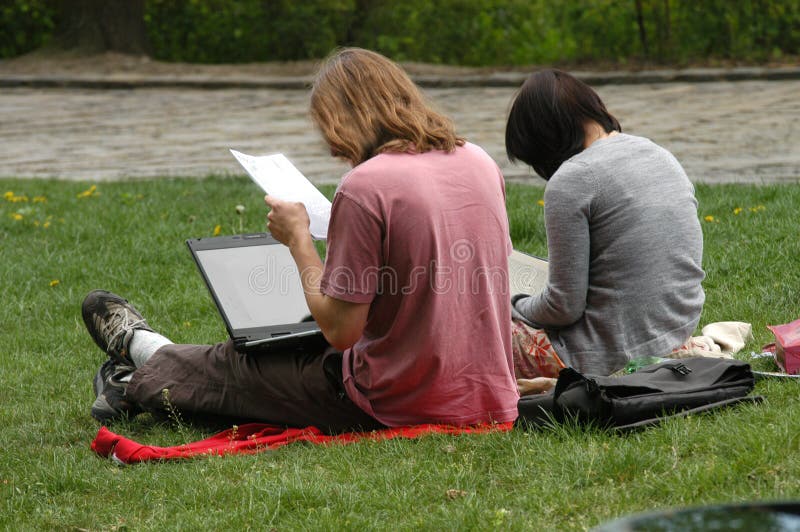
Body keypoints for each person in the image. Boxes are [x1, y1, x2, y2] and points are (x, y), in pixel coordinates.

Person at [83, 48, 519, 432]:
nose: (331, 146)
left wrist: (299, 241)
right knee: (288, 347)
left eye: (327, 126)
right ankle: (146, 364)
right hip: (486, 392)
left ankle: (137, 353)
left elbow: (342, 331)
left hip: (398, 401)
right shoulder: (479, 161)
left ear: (345, 118)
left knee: (238, 367)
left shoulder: (366, 185)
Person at [505, 69, 705, 382]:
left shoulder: (572, 179)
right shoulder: (657, 152)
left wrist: (513, 303)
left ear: (544, 140)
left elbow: (563, 308)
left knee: (469, 323)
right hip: (674, 332)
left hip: (606, 353)